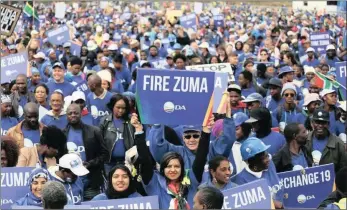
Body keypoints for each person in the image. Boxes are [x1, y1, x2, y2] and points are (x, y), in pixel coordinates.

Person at [134, 113, 213, 209]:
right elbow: (144, 159)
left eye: (177, 166)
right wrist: (139, 131)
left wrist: (206, 131)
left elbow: (201, 156)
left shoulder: (190, 181)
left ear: (182, 169)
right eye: (169, 166)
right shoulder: (155, 184)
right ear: (163, 168)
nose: (173, 170)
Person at [64, 103, 108, 200]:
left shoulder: (94, 131)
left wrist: (89, 164)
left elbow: (105, 154)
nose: (73, 115)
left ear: (81, 114)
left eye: (76, 113)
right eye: (70, 113)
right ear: (66, 115)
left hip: (91, 181)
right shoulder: (63, 134)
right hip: (72, 183)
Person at [232, 137, 284, 209]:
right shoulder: (241, 181)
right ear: (254, 163)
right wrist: (272, 203)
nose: (268, 159)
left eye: (267, 155)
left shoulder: (269, 165)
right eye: (264, 158)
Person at [99, 94, 135, 174]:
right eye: (118, 107)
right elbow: (99, 143)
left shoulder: (131, 121)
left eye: (123, 108)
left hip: (126, 163)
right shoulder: (105, 121)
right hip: (109, 163)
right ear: (112, 106)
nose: (121, 110)